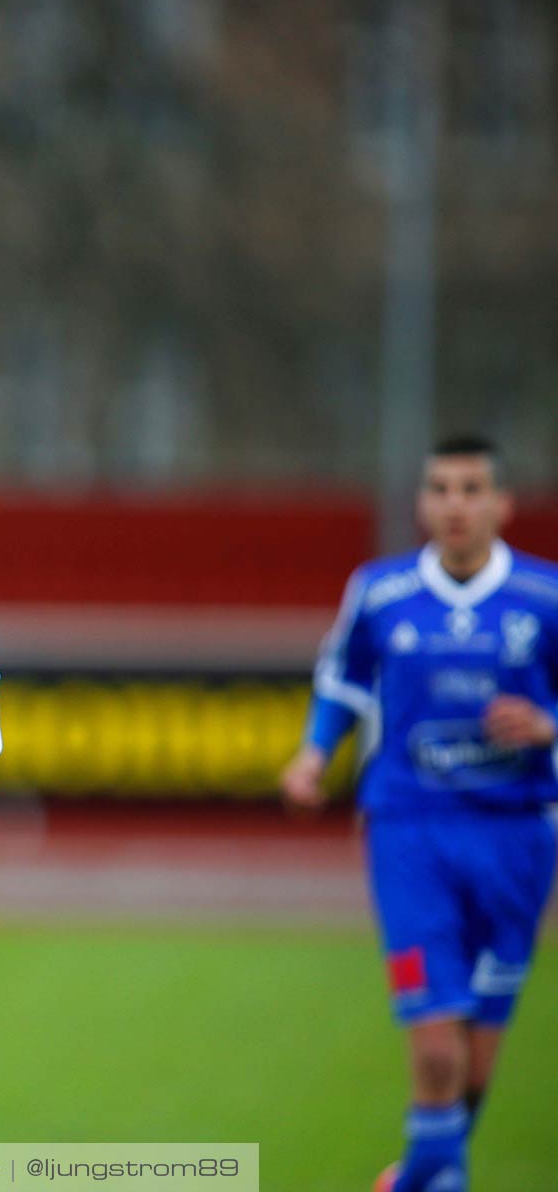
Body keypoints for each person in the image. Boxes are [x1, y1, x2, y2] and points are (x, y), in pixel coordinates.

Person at [279, 435, 558, 1192]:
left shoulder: (545, 597)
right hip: (410, 831)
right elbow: (344, 679)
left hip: (517, 836)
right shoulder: (380, 591)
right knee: (436, 1050)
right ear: (422, 503)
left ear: (501, 504)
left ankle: (420, 1179)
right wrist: (313, 754)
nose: (455, 503)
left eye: (472, 489)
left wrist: (546, 726)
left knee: (477, 1063)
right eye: (440, 488)